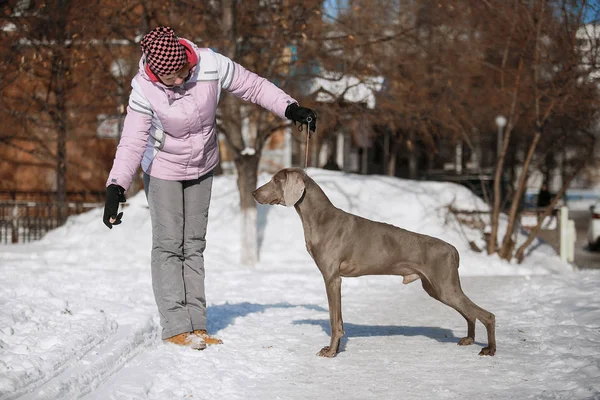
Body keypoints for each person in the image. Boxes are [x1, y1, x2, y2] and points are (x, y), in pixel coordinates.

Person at [102, 26, 317, 350]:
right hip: (163, 170)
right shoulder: (143, 90)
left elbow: (253, 86)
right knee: (169, 245)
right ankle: (176, 325)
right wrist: (116, 187)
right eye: (170, 78)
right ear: (155, 72)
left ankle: (197, 325)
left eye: (181, 73)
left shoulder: (211, 65)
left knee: (194, 244)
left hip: (202, 166)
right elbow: (132, 141)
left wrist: (290, 108)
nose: (178, 81)